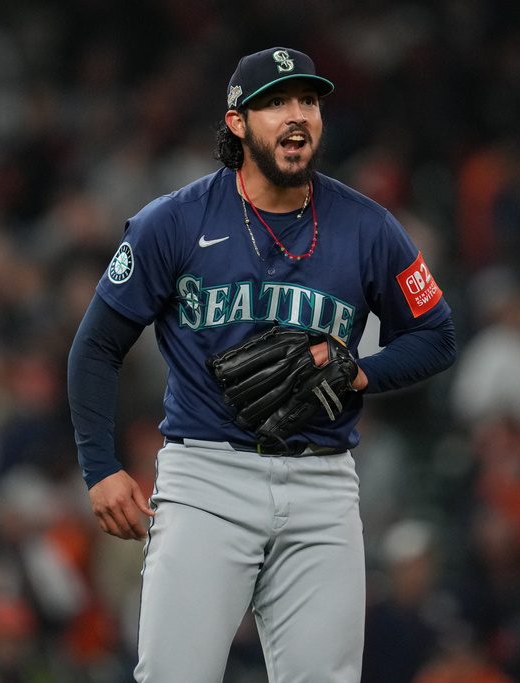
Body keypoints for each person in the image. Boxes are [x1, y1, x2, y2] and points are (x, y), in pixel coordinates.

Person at [67, 46, 456, 683]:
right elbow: (96, 346)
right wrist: (100, 466)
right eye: (275, 102)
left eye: (308, 101)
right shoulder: (174, 222)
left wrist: (360, 372)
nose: (296, 115)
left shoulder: (368, 227)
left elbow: (435, 335)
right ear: (237, 123)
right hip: (206, 479)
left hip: (322, 483)